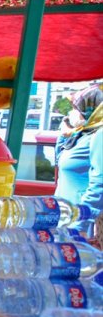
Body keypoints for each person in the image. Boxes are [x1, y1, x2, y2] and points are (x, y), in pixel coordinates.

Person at [55, 100, 103, 235]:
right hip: (66, 217)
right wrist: (63, 135)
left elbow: (100, 182)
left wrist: (80, 223)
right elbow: (60, 161)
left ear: (90, 110)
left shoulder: (99, 135)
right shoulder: (81, 135)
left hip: (82, 223)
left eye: (75, 108)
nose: (71, 113)